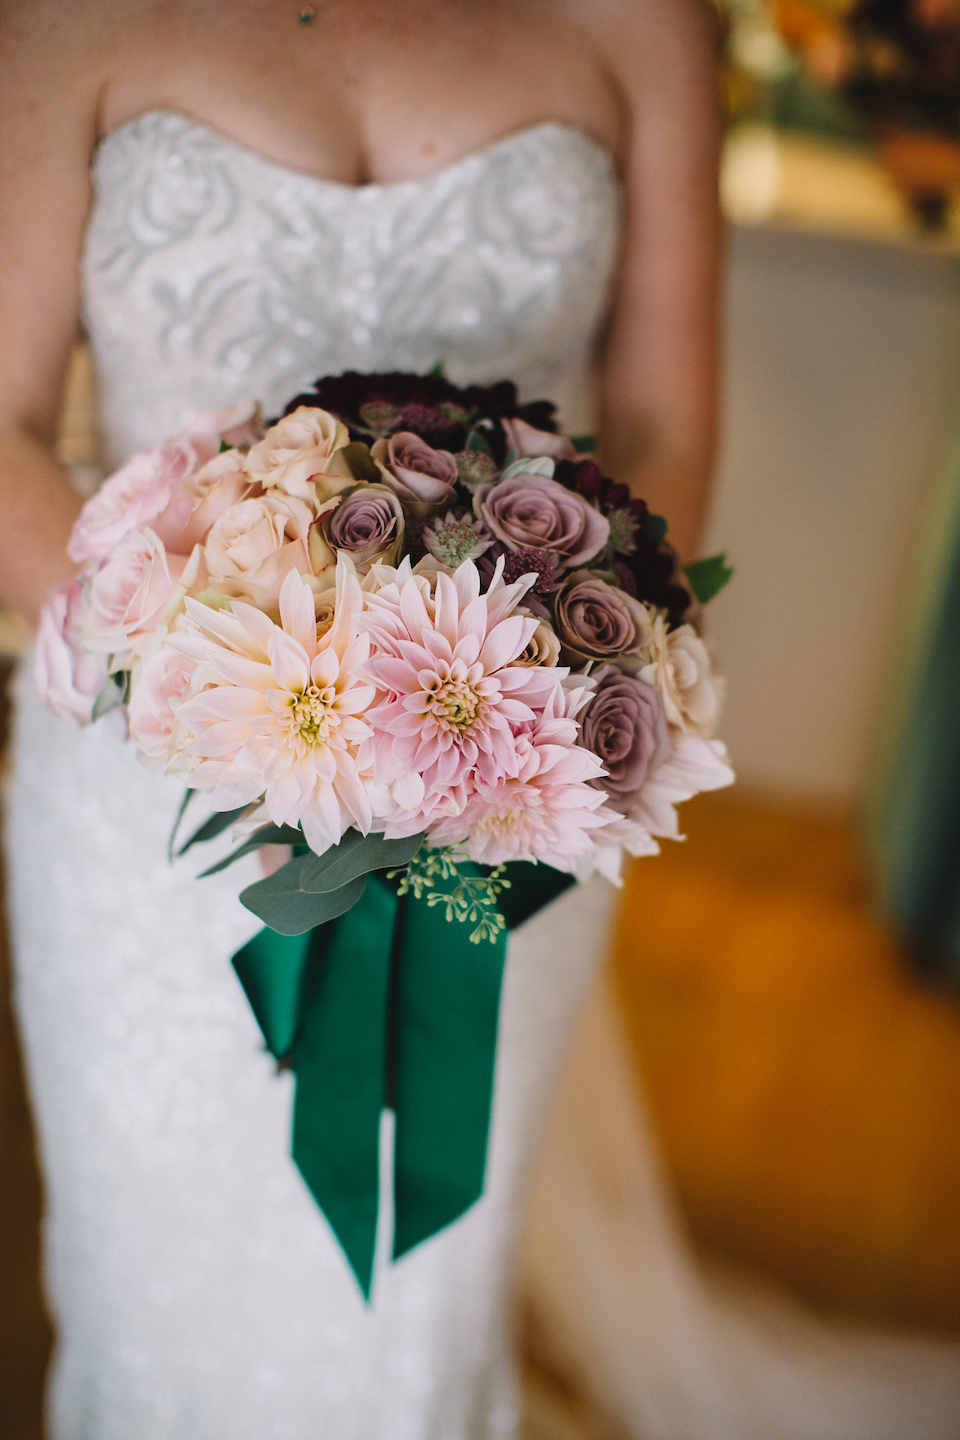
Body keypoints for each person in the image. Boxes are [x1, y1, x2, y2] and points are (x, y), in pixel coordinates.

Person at [2, 1, 959, 1437]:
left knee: (421, 1306)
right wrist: (245, 693)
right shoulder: (62, 19)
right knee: (157, 1278)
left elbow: (662, 426)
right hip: (152, 783)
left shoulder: (645, 23)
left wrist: (553, 695)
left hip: (504, 790)